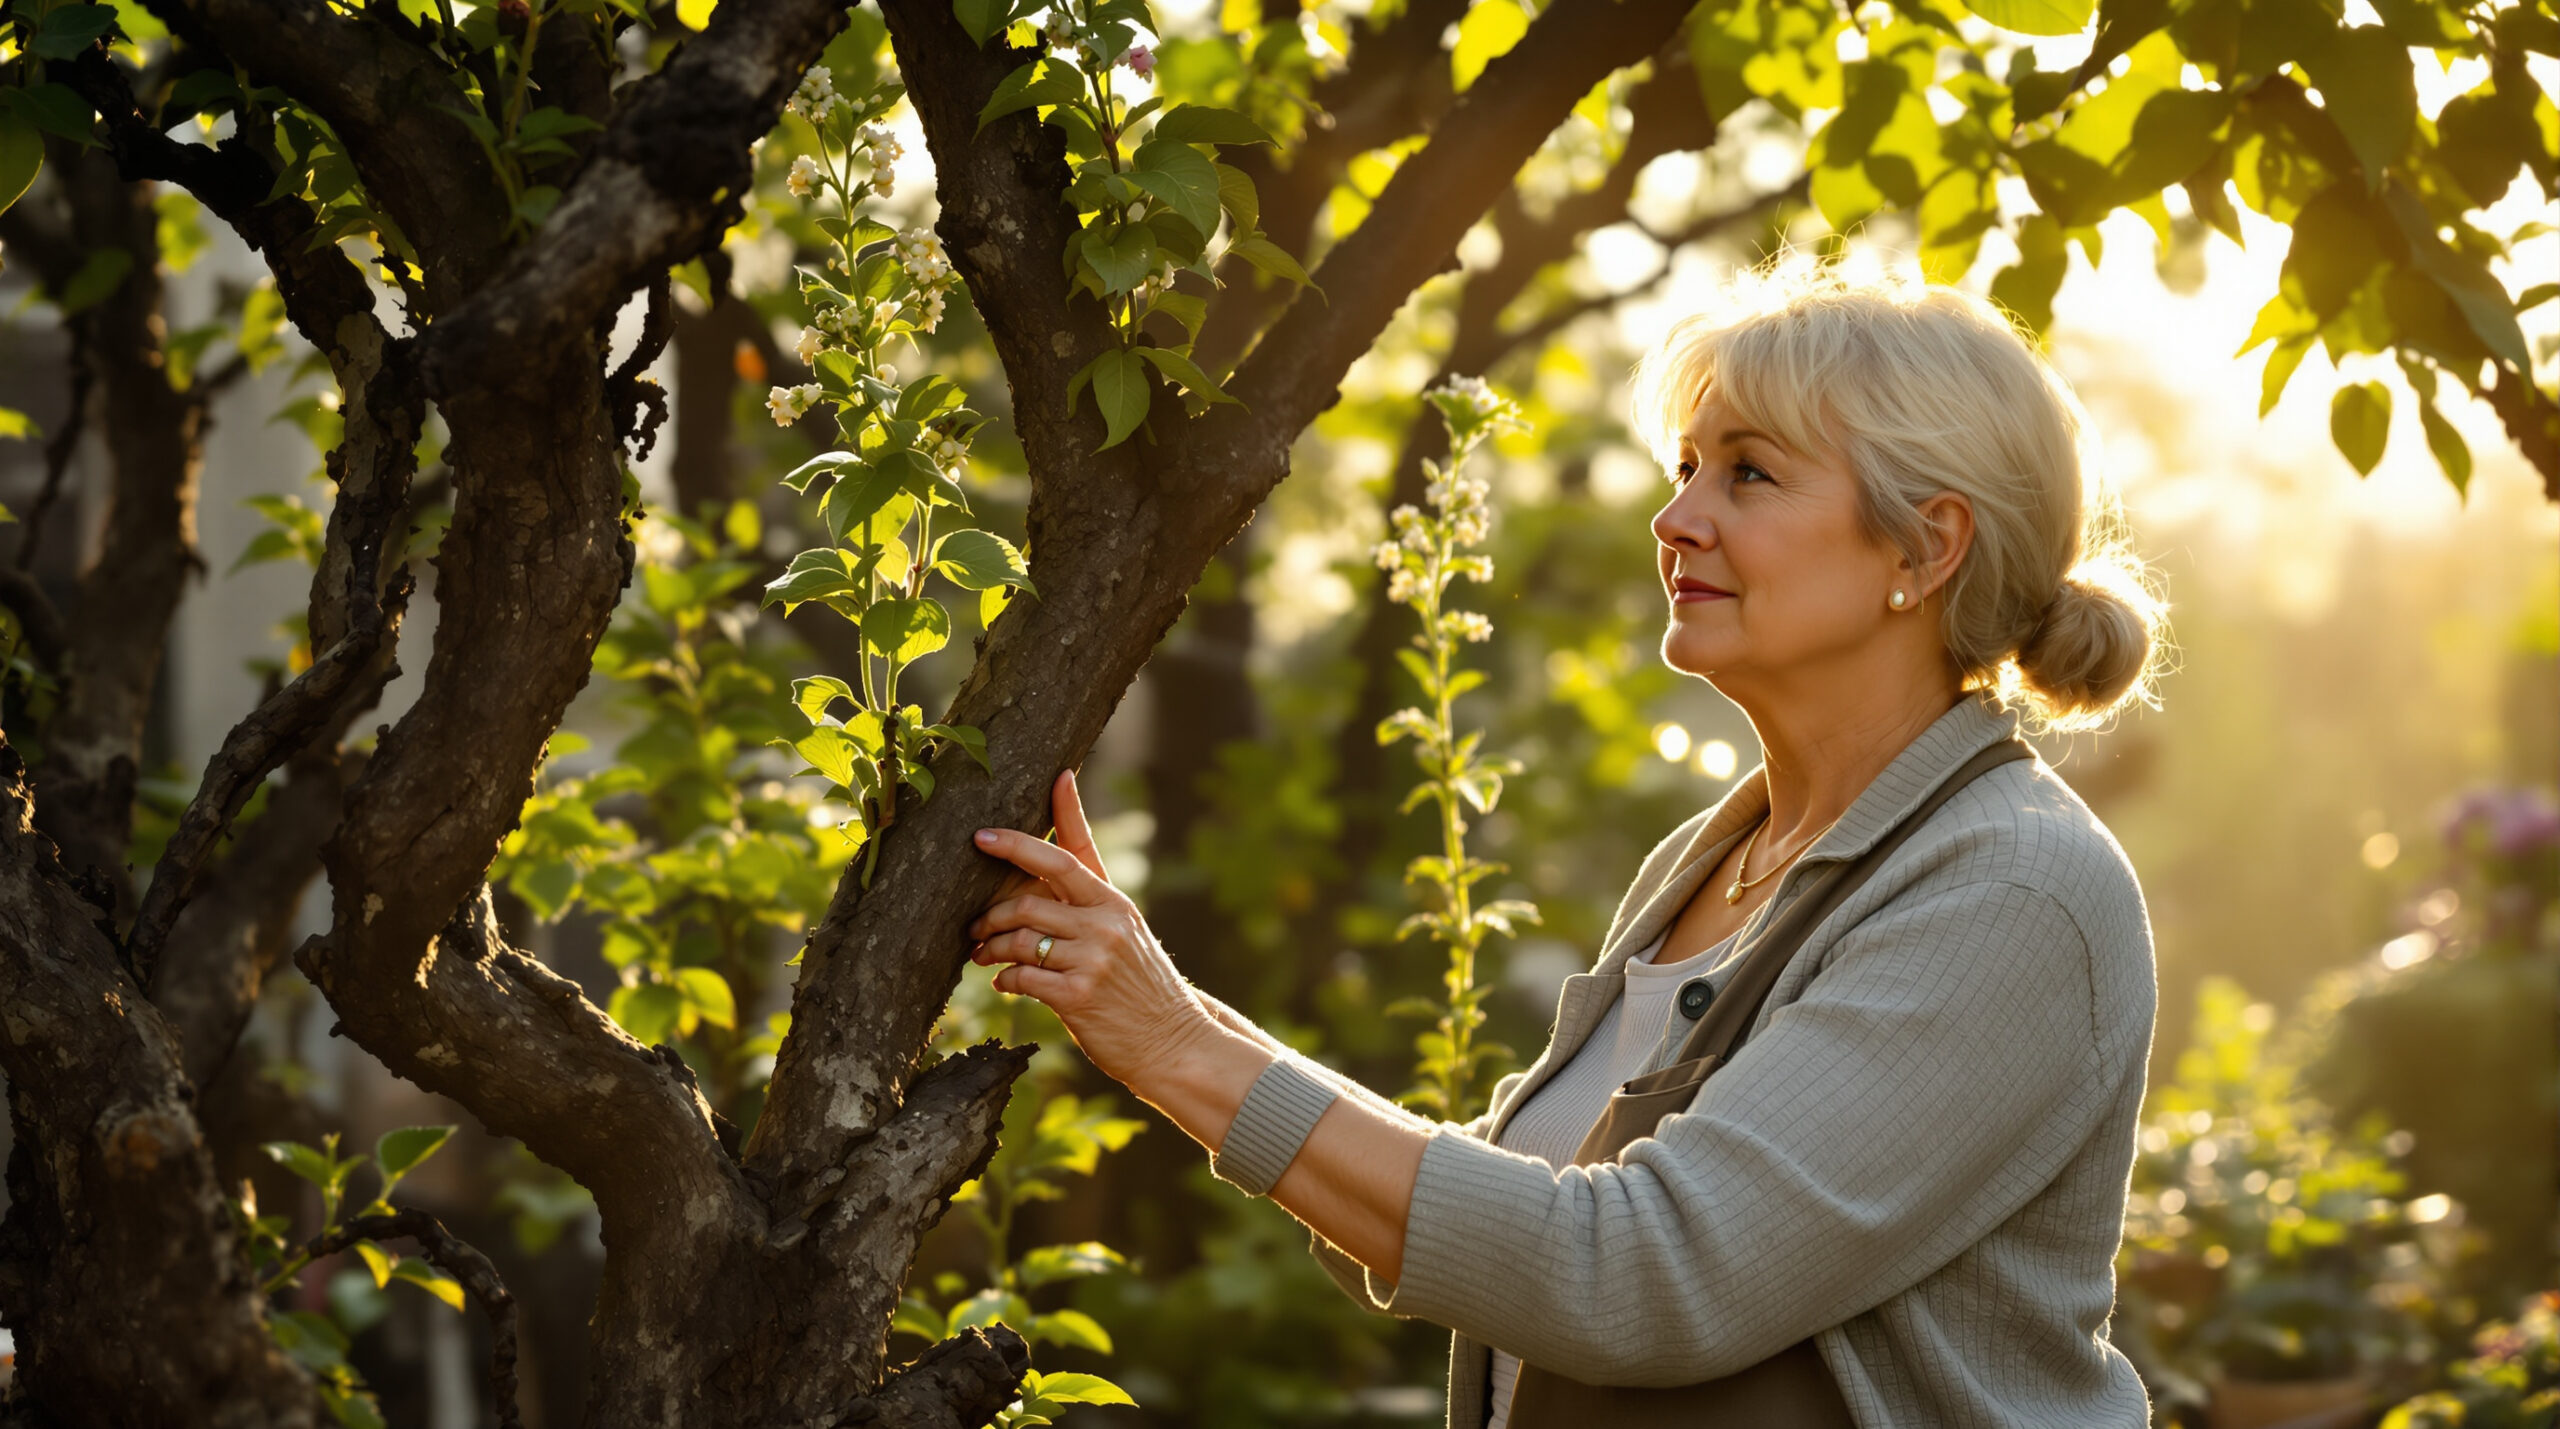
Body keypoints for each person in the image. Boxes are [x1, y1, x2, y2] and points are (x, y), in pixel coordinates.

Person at [963, 262, 2168, 1427]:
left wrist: (1174, 1042)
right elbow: (1495, 1234)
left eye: (1748, 474)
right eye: (1686, 465)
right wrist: (1150, 1008)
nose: (1674, 517)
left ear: (1924, 546)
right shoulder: (1714, 858)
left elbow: (1635, 1279)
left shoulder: (2009, 888)